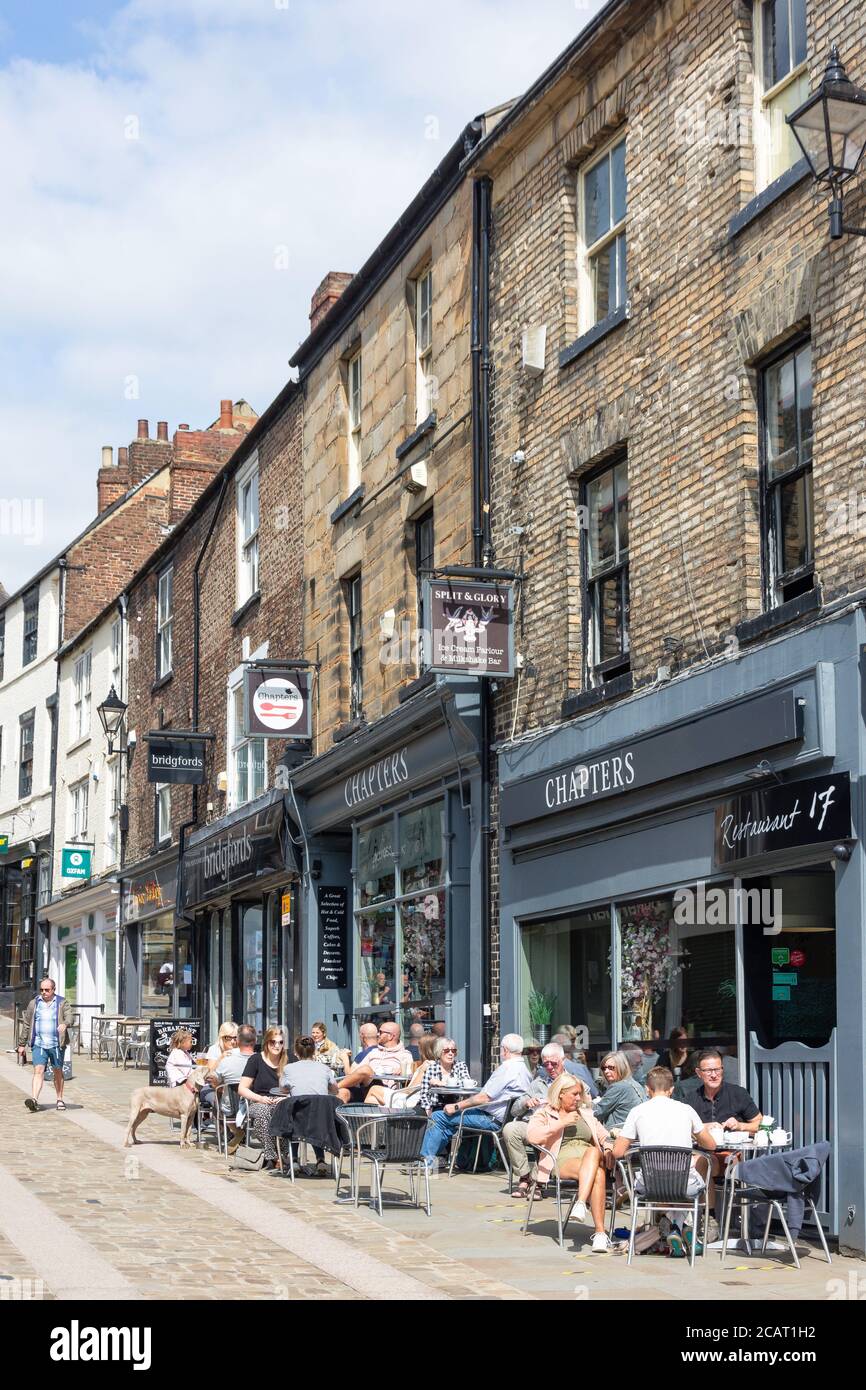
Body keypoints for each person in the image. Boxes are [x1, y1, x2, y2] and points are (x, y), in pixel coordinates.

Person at [612, 1066, 717, 1256]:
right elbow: (711, 1145)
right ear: (671, 1089)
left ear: (647, 1089)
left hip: (650, 1185)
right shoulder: (686, 1110)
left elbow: (618, 1152)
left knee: (663, 1184)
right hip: (683, 1184)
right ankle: (680, 1226)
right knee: (695, 1172)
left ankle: (675, 1227)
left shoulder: (637, 1111)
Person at [526, 1074, 613, 1252]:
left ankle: (581, 1204)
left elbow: (604, 1136)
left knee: (594, 1152)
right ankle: (600, 1234)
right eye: (574, 1094)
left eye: (580, 1094)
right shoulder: (545, 1113)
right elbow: (532, 1136)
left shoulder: (586, 1114)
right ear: (560, 1094)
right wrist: (561, 1124)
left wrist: (610, 1148)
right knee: (598, 1171)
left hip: (589, 1156)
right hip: (561, 1159)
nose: (578, 1098)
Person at [420, 1033, 531, 1167]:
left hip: (491, 1119)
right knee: (447, 1121)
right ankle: (448, 1160)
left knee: (438, 1116)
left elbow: (484, 1097)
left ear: (505, 1050)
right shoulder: (525, 1069)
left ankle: (426, 1162)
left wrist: (456, 1106)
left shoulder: (506, 1069)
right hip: (507, 1119)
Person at [689, 1049, 762, 1223]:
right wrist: (702, 1128)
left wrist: (740, 1126)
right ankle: (674, 1220)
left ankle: (708, 1219)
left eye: (718, 1070)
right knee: (686, 1162)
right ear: (699, 1073)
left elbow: (760, 1124)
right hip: (701, 1153)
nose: (714, 1075)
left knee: (702, 1163)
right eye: (708, 1071)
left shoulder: (738, 1093)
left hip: (733, 1155)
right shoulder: (691, 1099)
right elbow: (680, 1128)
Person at [504, 1041, 582, 1195]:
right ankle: (525, 1176)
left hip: (559, 1128)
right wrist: (527, 1103)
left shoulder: (573, 1082)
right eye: (546, 1064)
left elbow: (585, 1105)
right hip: (534, 1124)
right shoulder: (538, 1083)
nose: (550, 1068)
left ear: (563, 1061)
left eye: (554, 1063)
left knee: (549, 1136)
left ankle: (538, 1183)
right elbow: (514, 1110)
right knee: (510, 1129)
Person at [279, 1034, 337, 1174]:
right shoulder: (325, 1069)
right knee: (314, 1115)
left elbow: (282, 1088)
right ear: (314, 1051)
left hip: (298, 1121)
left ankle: (293, 1160)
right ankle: (321, 1160)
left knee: (293, 1116)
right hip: (322, 1121)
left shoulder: (289, 1069)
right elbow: (335, 1089)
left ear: (296, 1052)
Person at [16, 977, 74, 1113]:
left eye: (47, 990)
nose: (43, 992)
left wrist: (65, 1024)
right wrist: (22, 1044)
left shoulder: (61, 1002)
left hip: (56, 1044)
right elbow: (27, 1024)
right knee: (38, 1071)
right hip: (39, 1043)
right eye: (41, 989)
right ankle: (34, 1099)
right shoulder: (34, 1003)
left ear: (53, 990)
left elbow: (70, 1017)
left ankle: (59, 1099)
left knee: (57, 1071)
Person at [238, 1026, 288, 1169]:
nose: (277, 1046)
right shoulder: (256, 1060)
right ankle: (273, 1156)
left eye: (280, 1042)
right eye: (273, 1042)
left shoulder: (287, 1061)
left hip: (281, 1101)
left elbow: (295, 1088)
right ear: (266, 1042)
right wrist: (260, 1098)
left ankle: (280, 1154)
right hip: (258, 1100)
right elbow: (242, 1088)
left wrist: (285, 1097)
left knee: (283, 1113)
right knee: (263, 1112)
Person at [206, 1024, 256, 1152]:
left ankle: (235, 1132)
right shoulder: (216, 1051)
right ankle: (234, 1132)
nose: (232, 1041)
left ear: (239, 1040)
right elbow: (210, 1074)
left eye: (235, 1038)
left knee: (219, 1103)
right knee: (215, 1098)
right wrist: (221, 1058)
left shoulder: (230, 1060)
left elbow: (213, 1079)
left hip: (230, 1101)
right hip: (250, 1101)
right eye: (229, 1037)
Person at [336, 1021, 414, 1103]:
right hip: (366, 1087)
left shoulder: (405, 1054)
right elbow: (354, 1073)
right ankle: (332, 1109)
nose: (377, 1034)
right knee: (342, 1093)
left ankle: (334, 1087)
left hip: (386, 1090)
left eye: (380, 1032)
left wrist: (402, 1071)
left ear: (390, 1036)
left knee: (366, 1069)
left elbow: (409, 1074)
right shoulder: (374, 1052)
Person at [418, 1036, 473, 1113]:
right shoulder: (431, 1068)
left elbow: (467, 1083)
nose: (450, 1053)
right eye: (447, 1050)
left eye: (453, 1050)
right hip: (436, 1107)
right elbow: (423, 1093)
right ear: (439, 1052)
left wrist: (442, 1083)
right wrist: (428, 1109)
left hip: (456, 1107)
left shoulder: (460, 1065)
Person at [592, 1051, 645, 1132]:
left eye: (611, 1068)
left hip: (618, 1136)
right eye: (604, 1068)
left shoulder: (619, 1086)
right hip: (635, 1133)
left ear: (621, 1067)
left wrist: (586, 1102)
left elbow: (597, 1112)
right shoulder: (636, 1084)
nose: (606, 1071)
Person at [550, 1032, 598, 1098]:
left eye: (575, 1039)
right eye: (572, 1040)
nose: (574, 1043)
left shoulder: (543, 1070)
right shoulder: (578, 1068)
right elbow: (594, 1093)